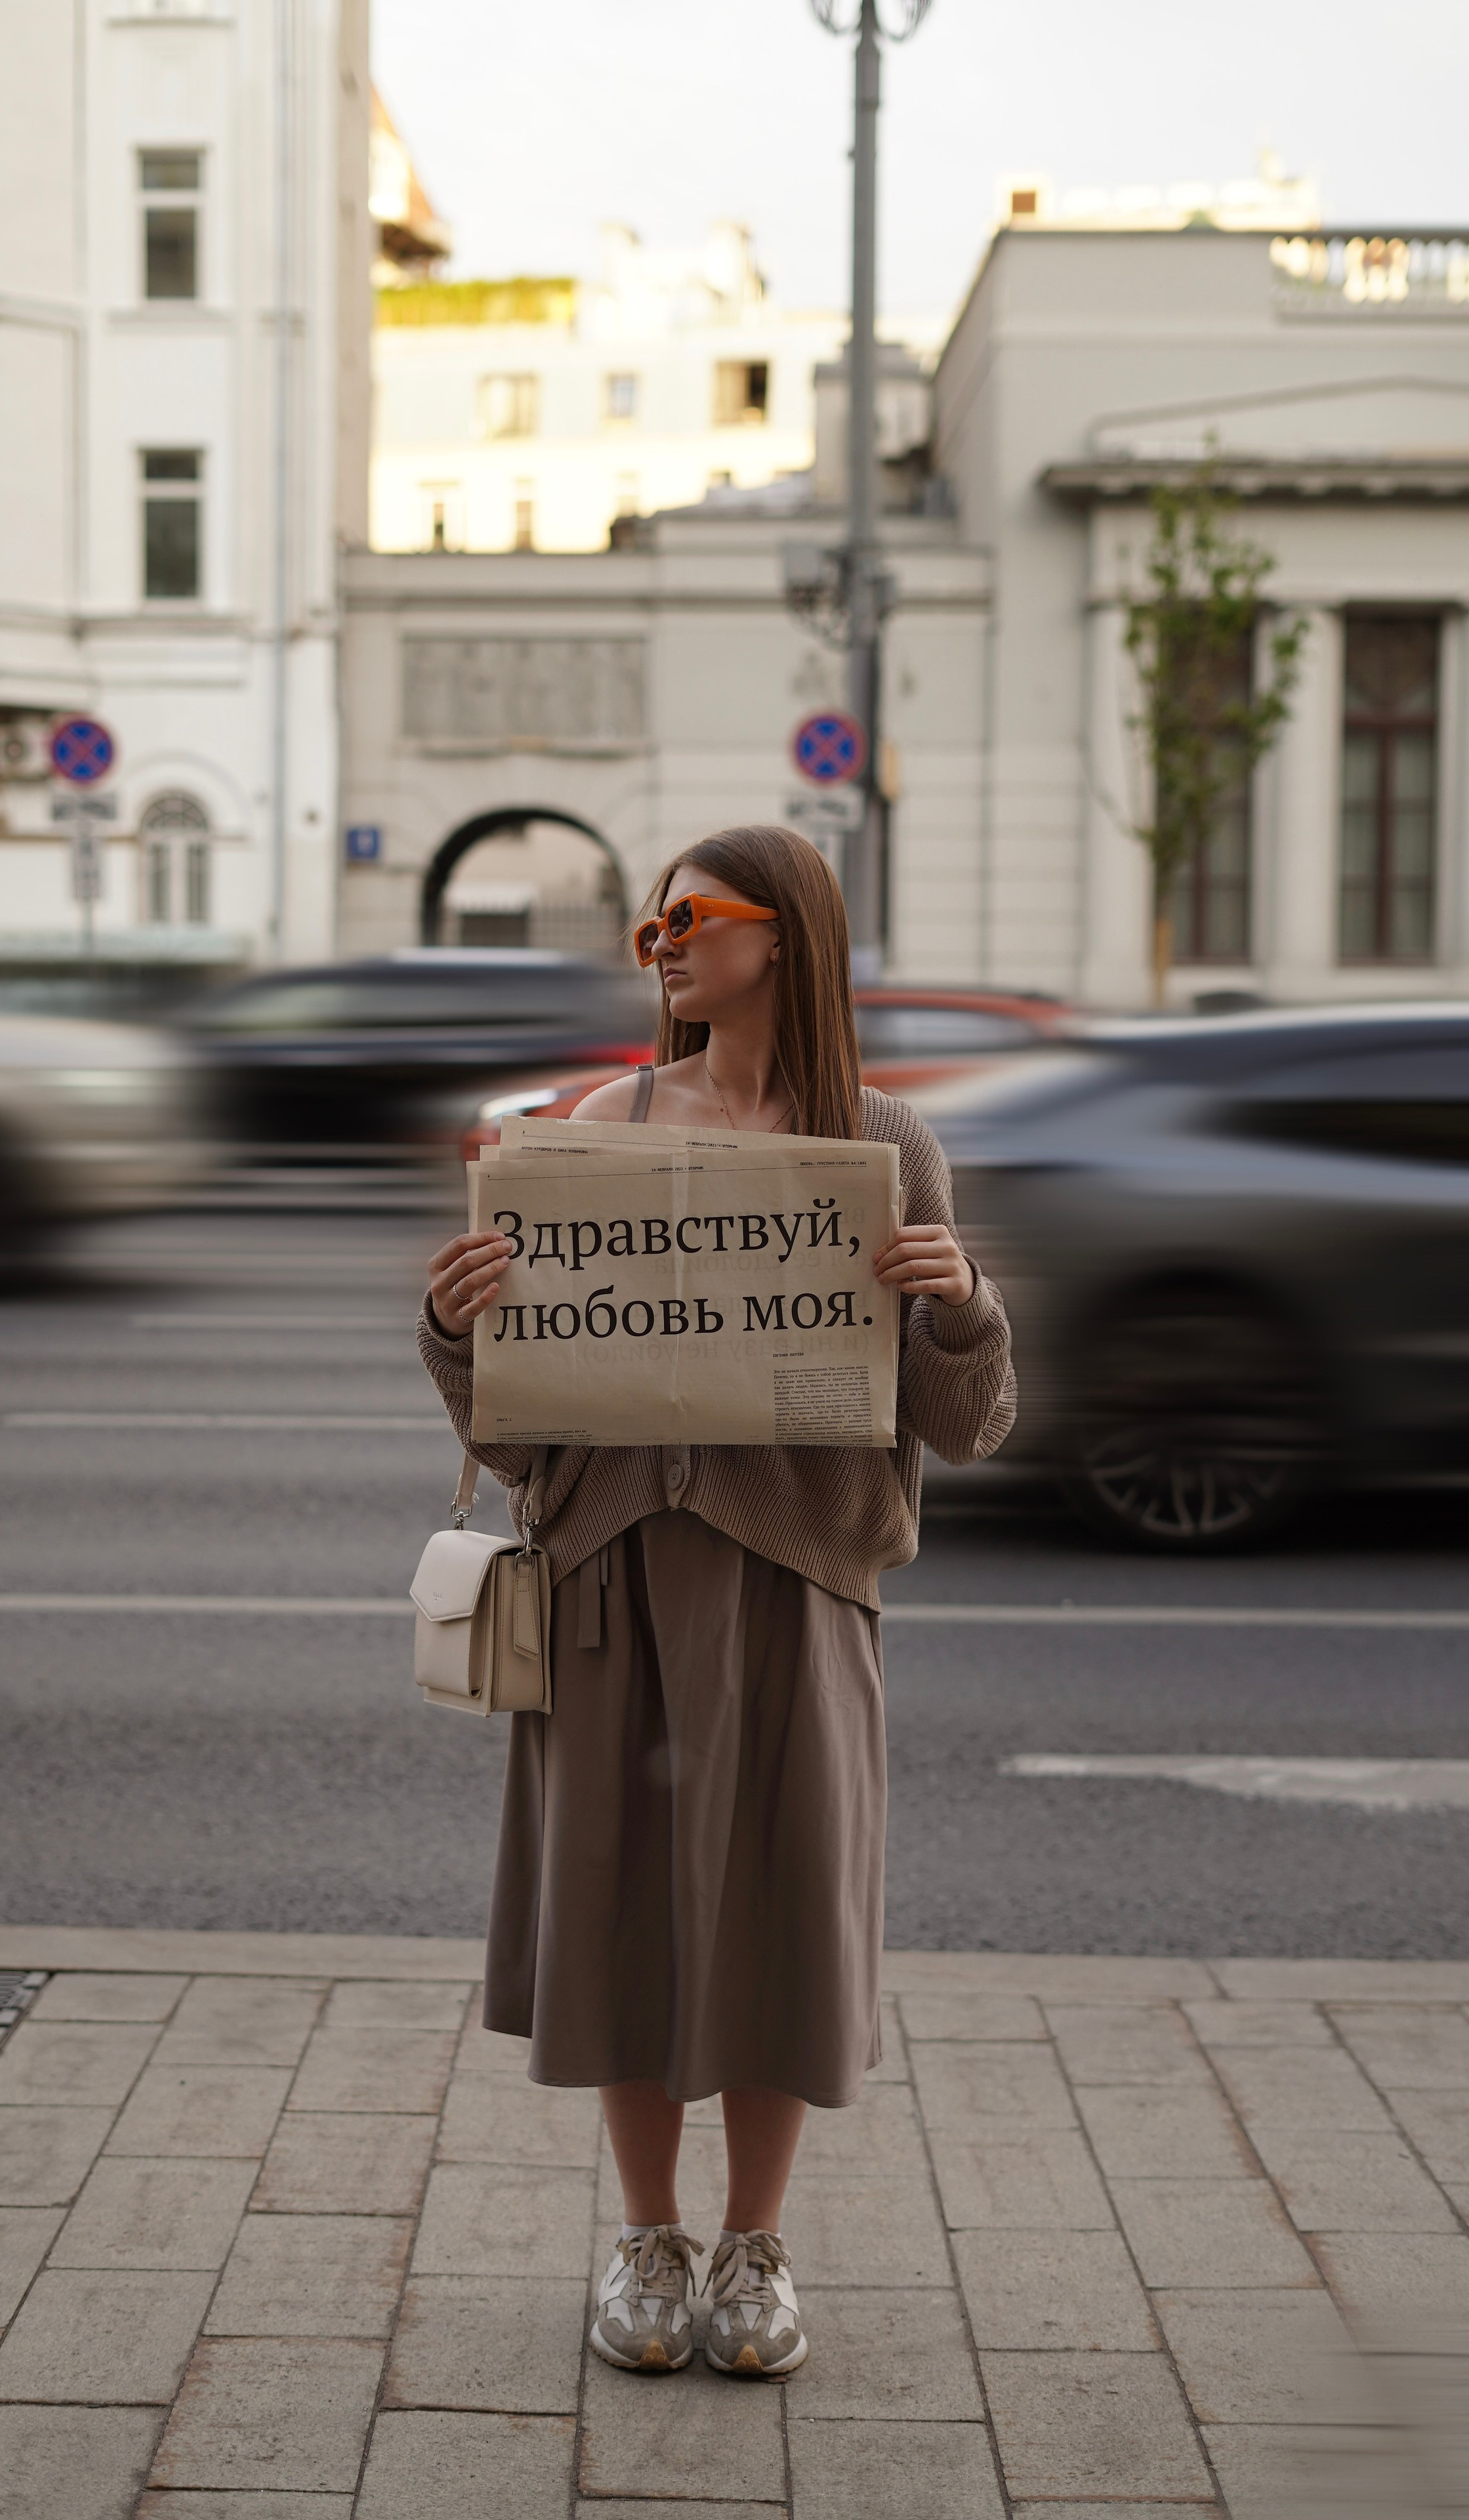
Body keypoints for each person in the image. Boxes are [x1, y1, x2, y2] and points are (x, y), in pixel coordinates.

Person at [419, 824, 1014, 2380]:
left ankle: (755, 2246)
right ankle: (645, 2236)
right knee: (619, 1908)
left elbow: (962, 1424)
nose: (661, 944)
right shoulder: (590, 1130)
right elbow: (514, 1424)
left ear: (785, 936)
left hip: (798, 1585)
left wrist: (959, 1305)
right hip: (607, 1575)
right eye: (646, 926)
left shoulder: (878, 1142)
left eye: (688, 917)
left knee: (775, 1915)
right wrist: (453, 1326)